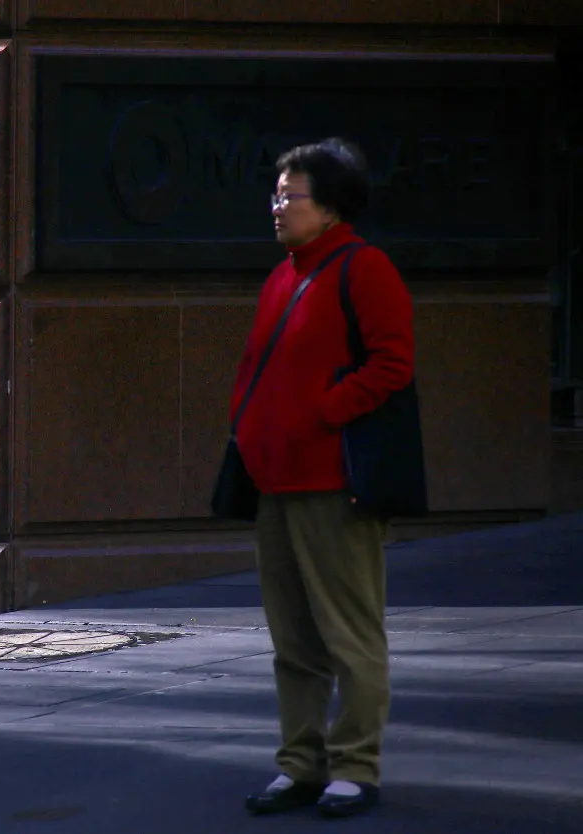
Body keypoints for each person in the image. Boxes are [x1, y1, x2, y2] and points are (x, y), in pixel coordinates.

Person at [230, 138, 415, 819]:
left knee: (349, 635)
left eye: (291, 195)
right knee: (293, 642)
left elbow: (393, 363)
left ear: (331, 206)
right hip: (275, 483)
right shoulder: (282, 275)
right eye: (275, 194)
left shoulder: (363, 269)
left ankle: (355, 767)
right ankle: (299, 764)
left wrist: (324, 412)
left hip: (335, 483)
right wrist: (246, 433)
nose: (277, 206)